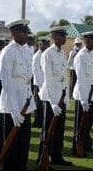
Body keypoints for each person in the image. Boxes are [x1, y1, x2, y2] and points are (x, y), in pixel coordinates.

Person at [0, 19, 36, 170]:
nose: (26, 35)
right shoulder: (8, 52)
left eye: (27, 32)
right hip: (11, 105)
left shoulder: (26, 51)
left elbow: (27, 79)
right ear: (14, 33)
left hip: (25, 103)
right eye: (23, 32)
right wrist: (13, 110)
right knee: (9, 142)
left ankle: (21, 166)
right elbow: (6, 83)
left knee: (24, 141)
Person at [37, 26, 73, 167]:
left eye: (64, 36)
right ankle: (42, 158)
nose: (64, 39)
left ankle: (57, 156)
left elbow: (64, 78)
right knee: (47, 130)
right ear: (55, 37)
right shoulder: (48, 54)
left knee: (59, 130)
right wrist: (53, 102)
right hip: (50, 98)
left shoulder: (62, 54)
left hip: (60, 96)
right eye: (62, 36)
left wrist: (65, 98)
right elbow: (49, 79)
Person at [72, 31, 93, 156]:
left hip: (91, 94)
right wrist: (83, 99)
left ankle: (87, 145)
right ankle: (77, 147)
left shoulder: (90, 54)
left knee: (88, 123)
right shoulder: (80, 56)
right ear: (87, 41)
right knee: (80, 124)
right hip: (83, 95)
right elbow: (81, 78)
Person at [32, 36, 50, 127]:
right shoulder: (37, 56)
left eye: (48, 44)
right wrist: (40, 85)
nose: (46, 46)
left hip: (46, 83)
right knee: (38, 103)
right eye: (44, 44)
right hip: (39, 84)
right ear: (39, 45)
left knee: (44, 103)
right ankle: (37, 121)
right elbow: (36, 71)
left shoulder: (46, 54)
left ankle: (42, 120)